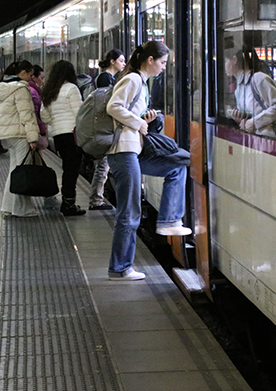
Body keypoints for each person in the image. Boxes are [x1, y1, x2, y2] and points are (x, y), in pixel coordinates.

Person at [105, 41, 191, 281]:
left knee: (177, 166)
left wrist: (146, 118)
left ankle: (169, 220)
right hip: (123, 150)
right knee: (129, 211)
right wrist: (138, 122)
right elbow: (114, 107)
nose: (164, 68)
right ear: (150, 60)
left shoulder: (141, 84)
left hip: (133, 149)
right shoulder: (132, 79)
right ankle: (120, 268)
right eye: (162, 63)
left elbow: (128, 111)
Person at [0, 60, 40, 218]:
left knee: (15, 170)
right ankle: (22, 209)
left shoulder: (3, 86)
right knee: (22, 171)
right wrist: (33, 137)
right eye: (30, 75)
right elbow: (26, 114)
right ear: (23, 73)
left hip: (8, 134)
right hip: (20, 133)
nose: (30, 78)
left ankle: (8, 206)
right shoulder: (20, 88)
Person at [40, 60, 86, 216]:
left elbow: (44, 116)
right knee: (72, 170)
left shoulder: (49, 91)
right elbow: (80, 113)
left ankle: (67, 201)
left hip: (58, 135)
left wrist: (57, 121)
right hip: (72, 134)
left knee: (67, 168)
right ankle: (68, 203)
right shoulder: (71, 89)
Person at [89, 49, 126, 211]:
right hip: (105, 127)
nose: (124, 64)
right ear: (112, 61)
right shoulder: (105, 78)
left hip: (105, 127)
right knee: (103, 165)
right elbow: (106, 104)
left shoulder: (108, 78)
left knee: (104, 165)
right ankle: (96, 200)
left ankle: (97, 197)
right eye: (121, 60)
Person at [226, 47, 276, 137]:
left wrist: (255, 122)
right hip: (252, 139)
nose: (224, 66)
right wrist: (241, 119)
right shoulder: (238, 89)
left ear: (234, 60)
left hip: (268, 139)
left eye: (225, 61)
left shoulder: (259, 78)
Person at [28, 65, 48, 151]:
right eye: (42, 78)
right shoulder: (33, 92)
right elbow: (36, 114)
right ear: (34, 78)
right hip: (35, 131)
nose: (43, 81)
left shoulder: (31, 89)